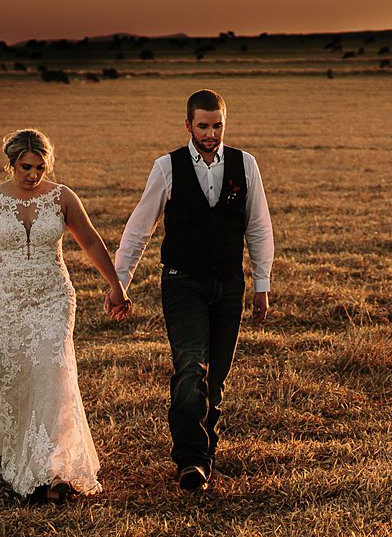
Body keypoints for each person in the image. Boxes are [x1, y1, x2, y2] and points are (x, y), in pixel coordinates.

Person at [0, 128, 132, 502]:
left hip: (54, 297)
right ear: (12, 163)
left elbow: (91, 240)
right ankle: (17, 455)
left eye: (39, 167)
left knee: (53, 371)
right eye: (25, 167)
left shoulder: (62, 197)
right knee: (17, 374)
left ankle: (55, 468)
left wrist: (116, 286)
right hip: (8, 299)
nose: (32, 175)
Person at [111, 90, 275, 493]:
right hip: (182, 280)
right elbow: (140, 228)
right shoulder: (167, 167)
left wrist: (262, 284)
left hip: (229, 283)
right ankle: (191, 461)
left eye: (217, 125)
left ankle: (206, 452)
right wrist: (120, 284)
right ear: (188, 125)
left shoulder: (245, 164)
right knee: (190, 367)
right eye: (203, 125)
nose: (211, 133)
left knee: (216, 375)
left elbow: (258, 226)